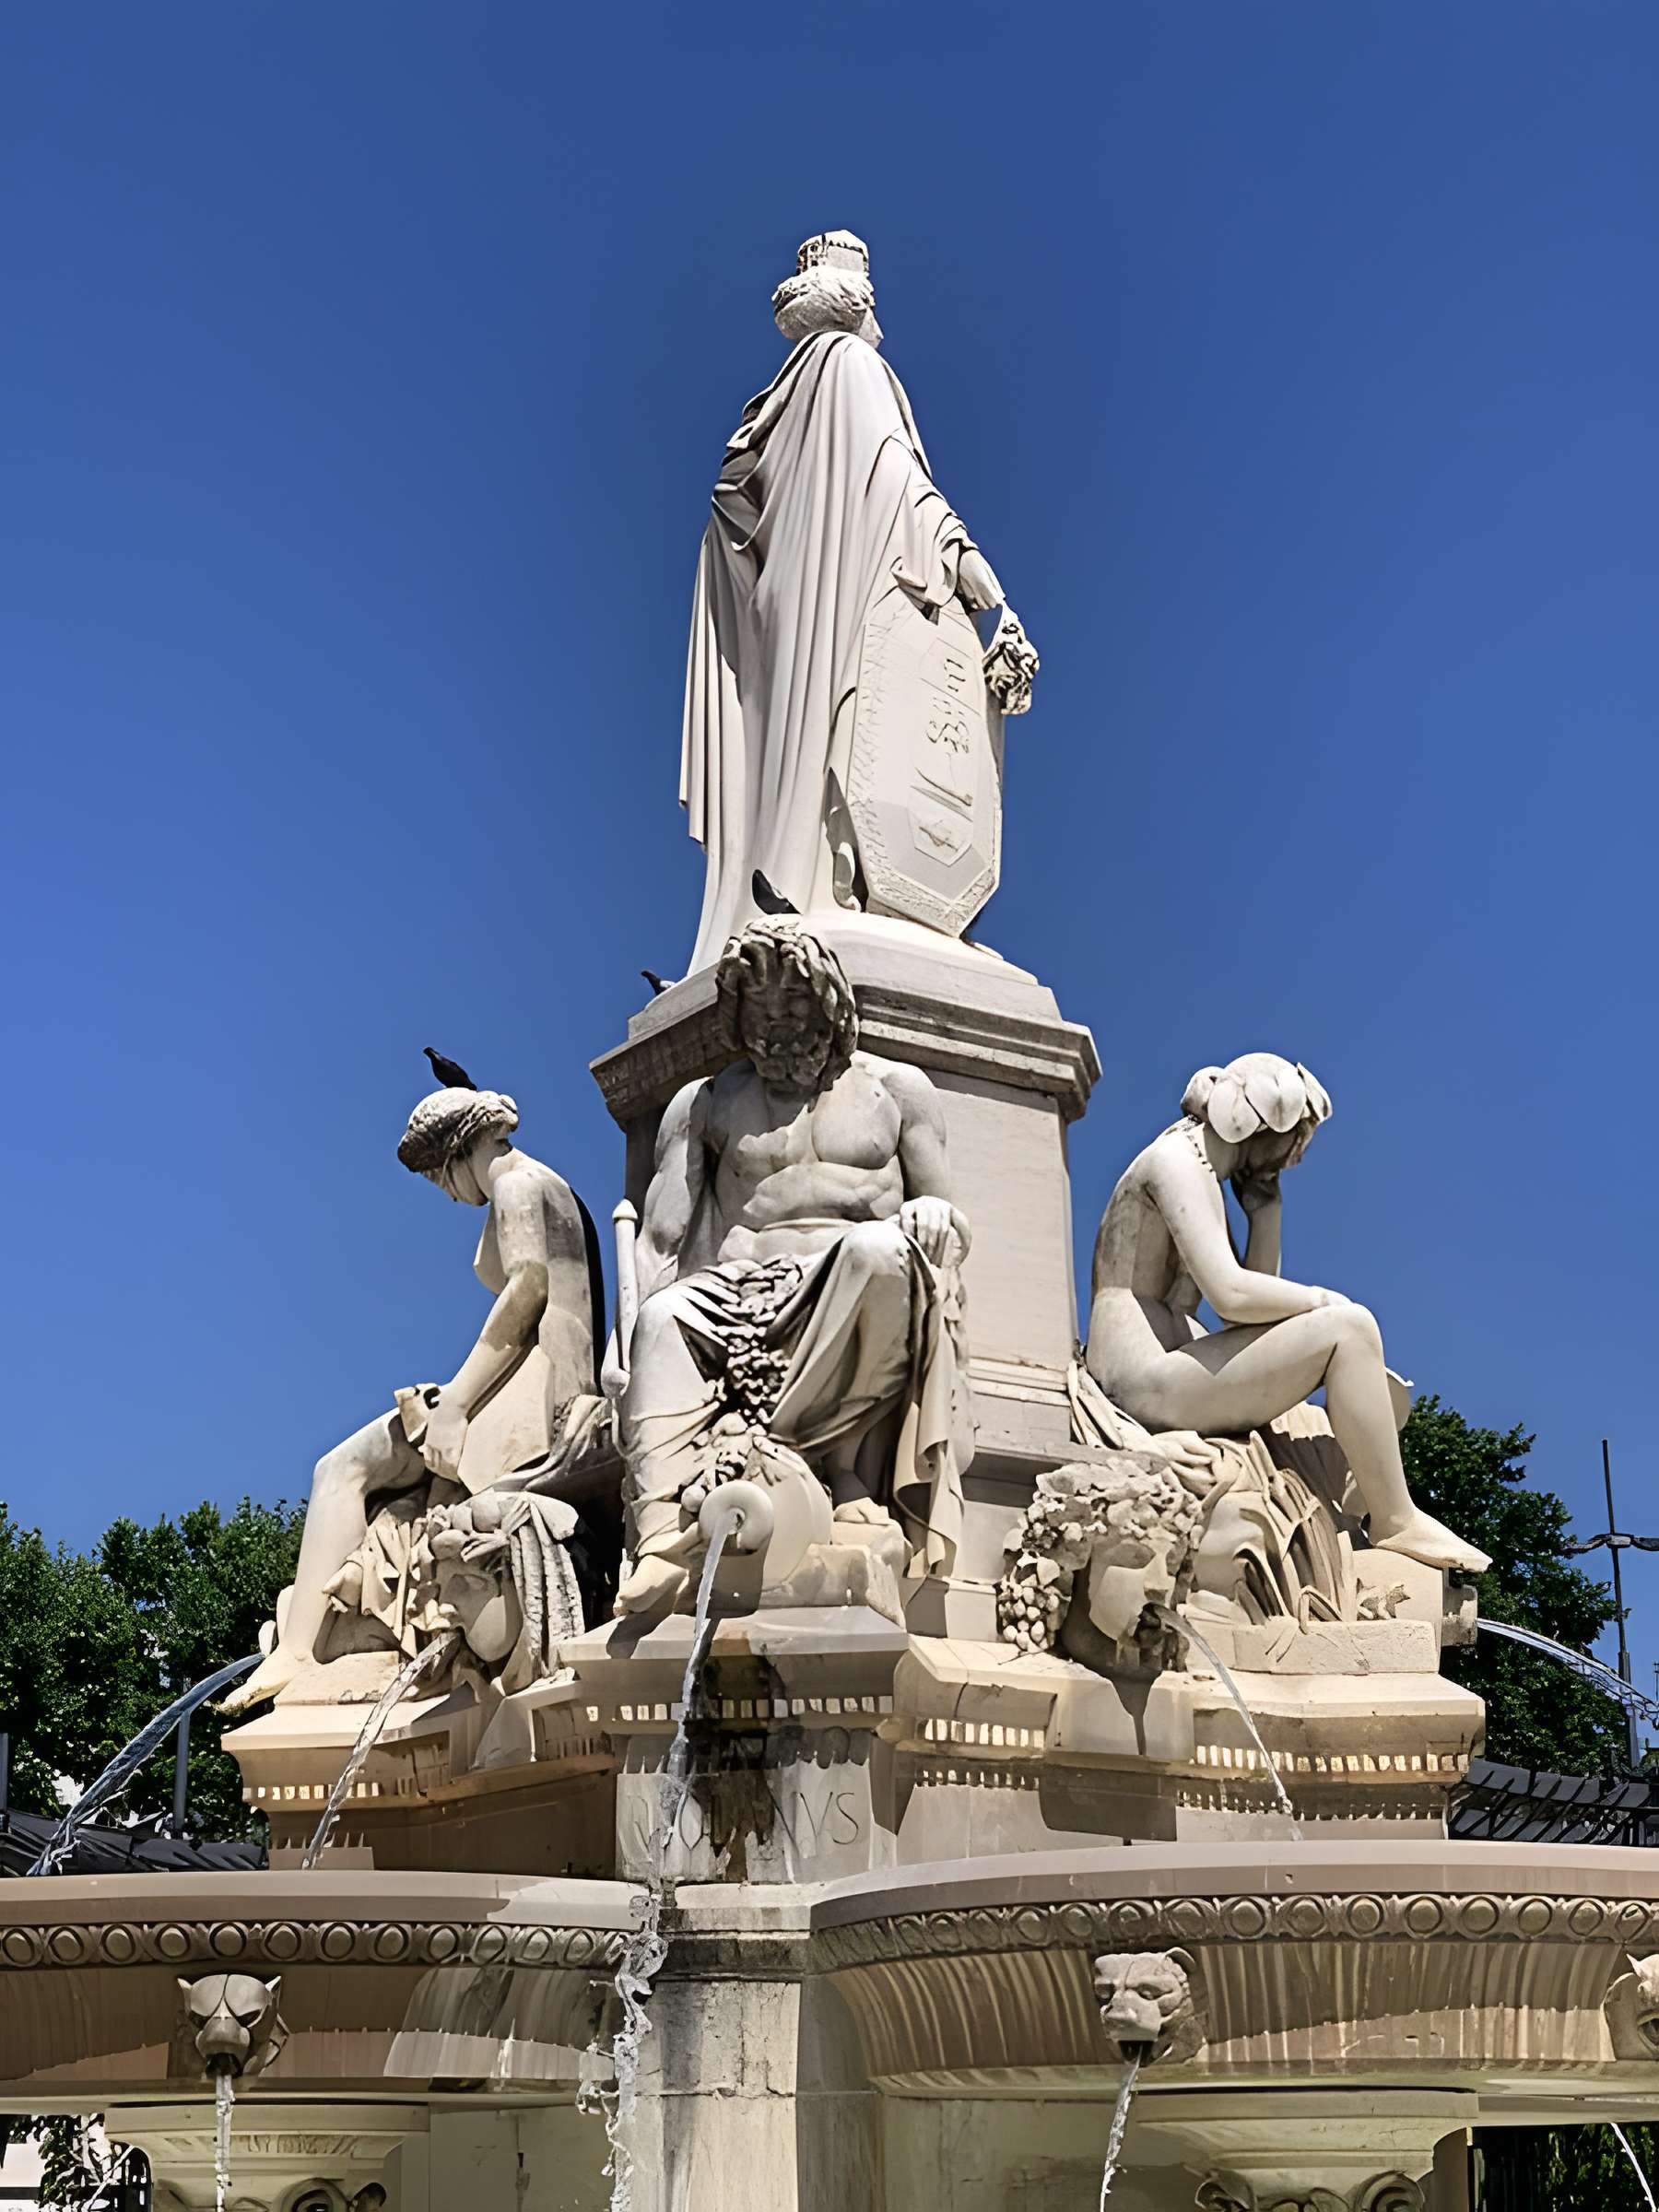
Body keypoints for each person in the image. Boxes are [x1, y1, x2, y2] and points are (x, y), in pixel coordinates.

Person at [679, 229, 1030, 970]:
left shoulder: (770, 413)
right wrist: (973, 572)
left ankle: (803, 884)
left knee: (799, 761)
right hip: (851, 612)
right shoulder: (852, 367)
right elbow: (895, 477)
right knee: (852, 739)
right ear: (859, 302)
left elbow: (729, 515)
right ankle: (846, 891)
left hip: (791, 623)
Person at [612, 917, 971, 1612]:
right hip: (738, 1285)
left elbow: (948, 1218)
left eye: (794, 1009)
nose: (777, 1029)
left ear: (831, 1005)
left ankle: (832, 1466)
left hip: (850, 1278)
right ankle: (659, 1540)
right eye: (760, 1014)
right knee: (661, 1318)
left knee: (882, 1252)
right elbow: (660, 1241)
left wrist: (932, 1217)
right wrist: (619, 1344)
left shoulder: (895, 1092)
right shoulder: (707, 1103)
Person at [222, 1084, 599, 1711]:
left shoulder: (515, 1182)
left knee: (339, 1468)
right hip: (536, 1381)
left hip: (529, 1397)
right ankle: (324, 1630)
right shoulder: (545, 1183)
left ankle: (295, 1652)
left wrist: (454, 1405)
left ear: (458, 1152)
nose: (448, 1194)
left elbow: (527, 1290)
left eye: (438, 1179)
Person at [1085, 1053, 1488, 1576]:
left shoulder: (1201, 1170)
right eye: (1295, 1137)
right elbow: (1231, 1295)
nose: (1296, 1155)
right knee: (1352, 1328)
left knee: (1335, 1413)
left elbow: (1245, 1319)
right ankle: (1394, 1519)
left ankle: (1371, 1519)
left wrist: (1265, 1213)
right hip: (1139, 1375)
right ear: (1260, 1121)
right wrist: (1325, 1302)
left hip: (1172, 1364)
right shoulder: (1175, 1162)